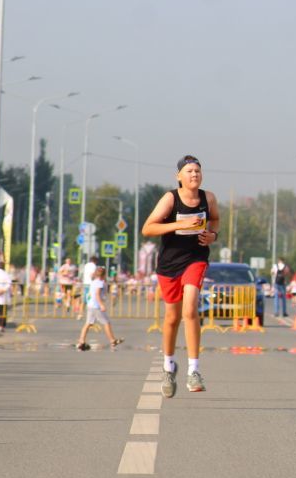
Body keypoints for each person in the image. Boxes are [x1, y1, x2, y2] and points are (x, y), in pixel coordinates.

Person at [142, 155, 220, 397]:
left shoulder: (208, 198)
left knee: (190, 310)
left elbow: (215, 220)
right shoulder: (170, 199)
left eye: (197, 170)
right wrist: (176, 226)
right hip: (169, 264)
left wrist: (212, 236)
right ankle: (168, 367)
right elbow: (148, 228)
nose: (194, 174)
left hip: (195, 259)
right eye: (189, 171)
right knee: (172, 318)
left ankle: (194, 371)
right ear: (179, 176)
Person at [76, 266, 124, 351]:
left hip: (91, 305)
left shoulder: (94, 281)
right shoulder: (99, 283)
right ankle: (112, 340)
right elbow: (97, 295)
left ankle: (81, 341)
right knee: (106, 322)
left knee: (88, 324)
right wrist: (101, 305)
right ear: (104, 275)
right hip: (96, 306)